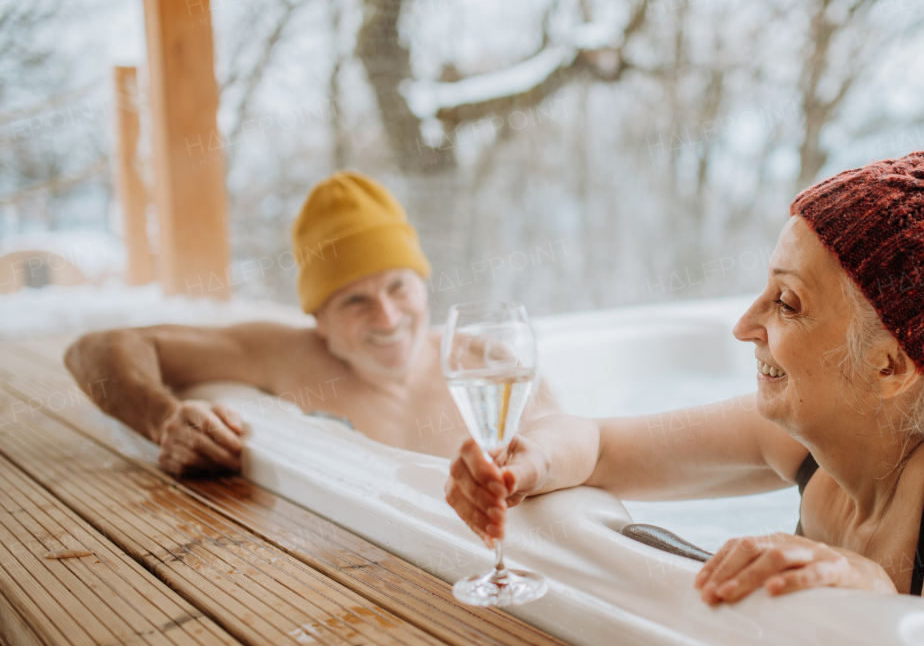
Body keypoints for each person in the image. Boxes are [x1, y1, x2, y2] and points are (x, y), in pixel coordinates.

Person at [445, 77, 924, 629]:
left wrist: (873, 594)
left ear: (890, 364)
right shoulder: (810, 438)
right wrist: (524, 463)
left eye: (787, 302)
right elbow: (600, 446)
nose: (744, 324)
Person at [64, 171, 556, 474]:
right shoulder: (287, 354)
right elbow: (95, 349)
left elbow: (571, 462)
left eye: (398, 287)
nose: (386, 316)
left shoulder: (489, 370)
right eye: (354, 301)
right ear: (319, 319)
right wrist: (164, 420)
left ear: (423, 284)